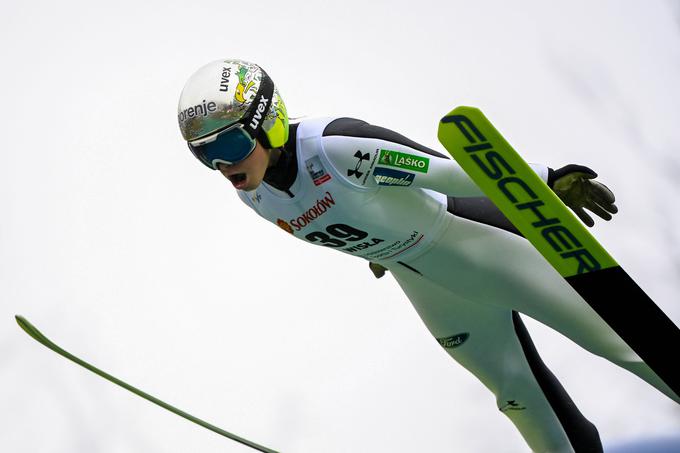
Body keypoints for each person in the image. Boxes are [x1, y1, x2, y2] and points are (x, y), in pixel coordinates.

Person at [177, 59, 679, 453]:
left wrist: (547, 180)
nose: (223, 165)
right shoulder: (254, 195)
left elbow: (445, 172)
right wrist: (375, 242)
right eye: (205, 155)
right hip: (428, 283)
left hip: (480, 242)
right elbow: (349, 217)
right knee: (519, 398)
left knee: (625, 348)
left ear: (270, 123)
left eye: (233, 143)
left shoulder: (334, 147)